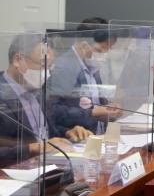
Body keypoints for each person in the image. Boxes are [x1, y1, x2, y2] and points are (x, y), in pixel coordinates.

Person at [0, 34, 89, 166]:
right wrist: (34, 148)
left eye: (50, 67)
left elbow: (44, 132)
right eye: (43, 65)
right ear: (18, 60)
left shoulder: (38, 90)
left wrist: (67, 132)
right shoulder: (3, 93)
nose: (46, 74)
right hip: (15, 171)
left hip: (50, 166)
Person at [48, 18, 122, 135]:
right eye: (100, 50)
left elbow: (95, 102)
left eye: (108, 50)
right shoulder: (64, 67)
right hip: (74, 137)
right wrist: (93, 113)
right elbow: (53, 111)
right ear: (84, 45)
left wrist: (108, 109)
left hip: (95, 135)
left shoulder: (90, 64)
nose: (104, 56)